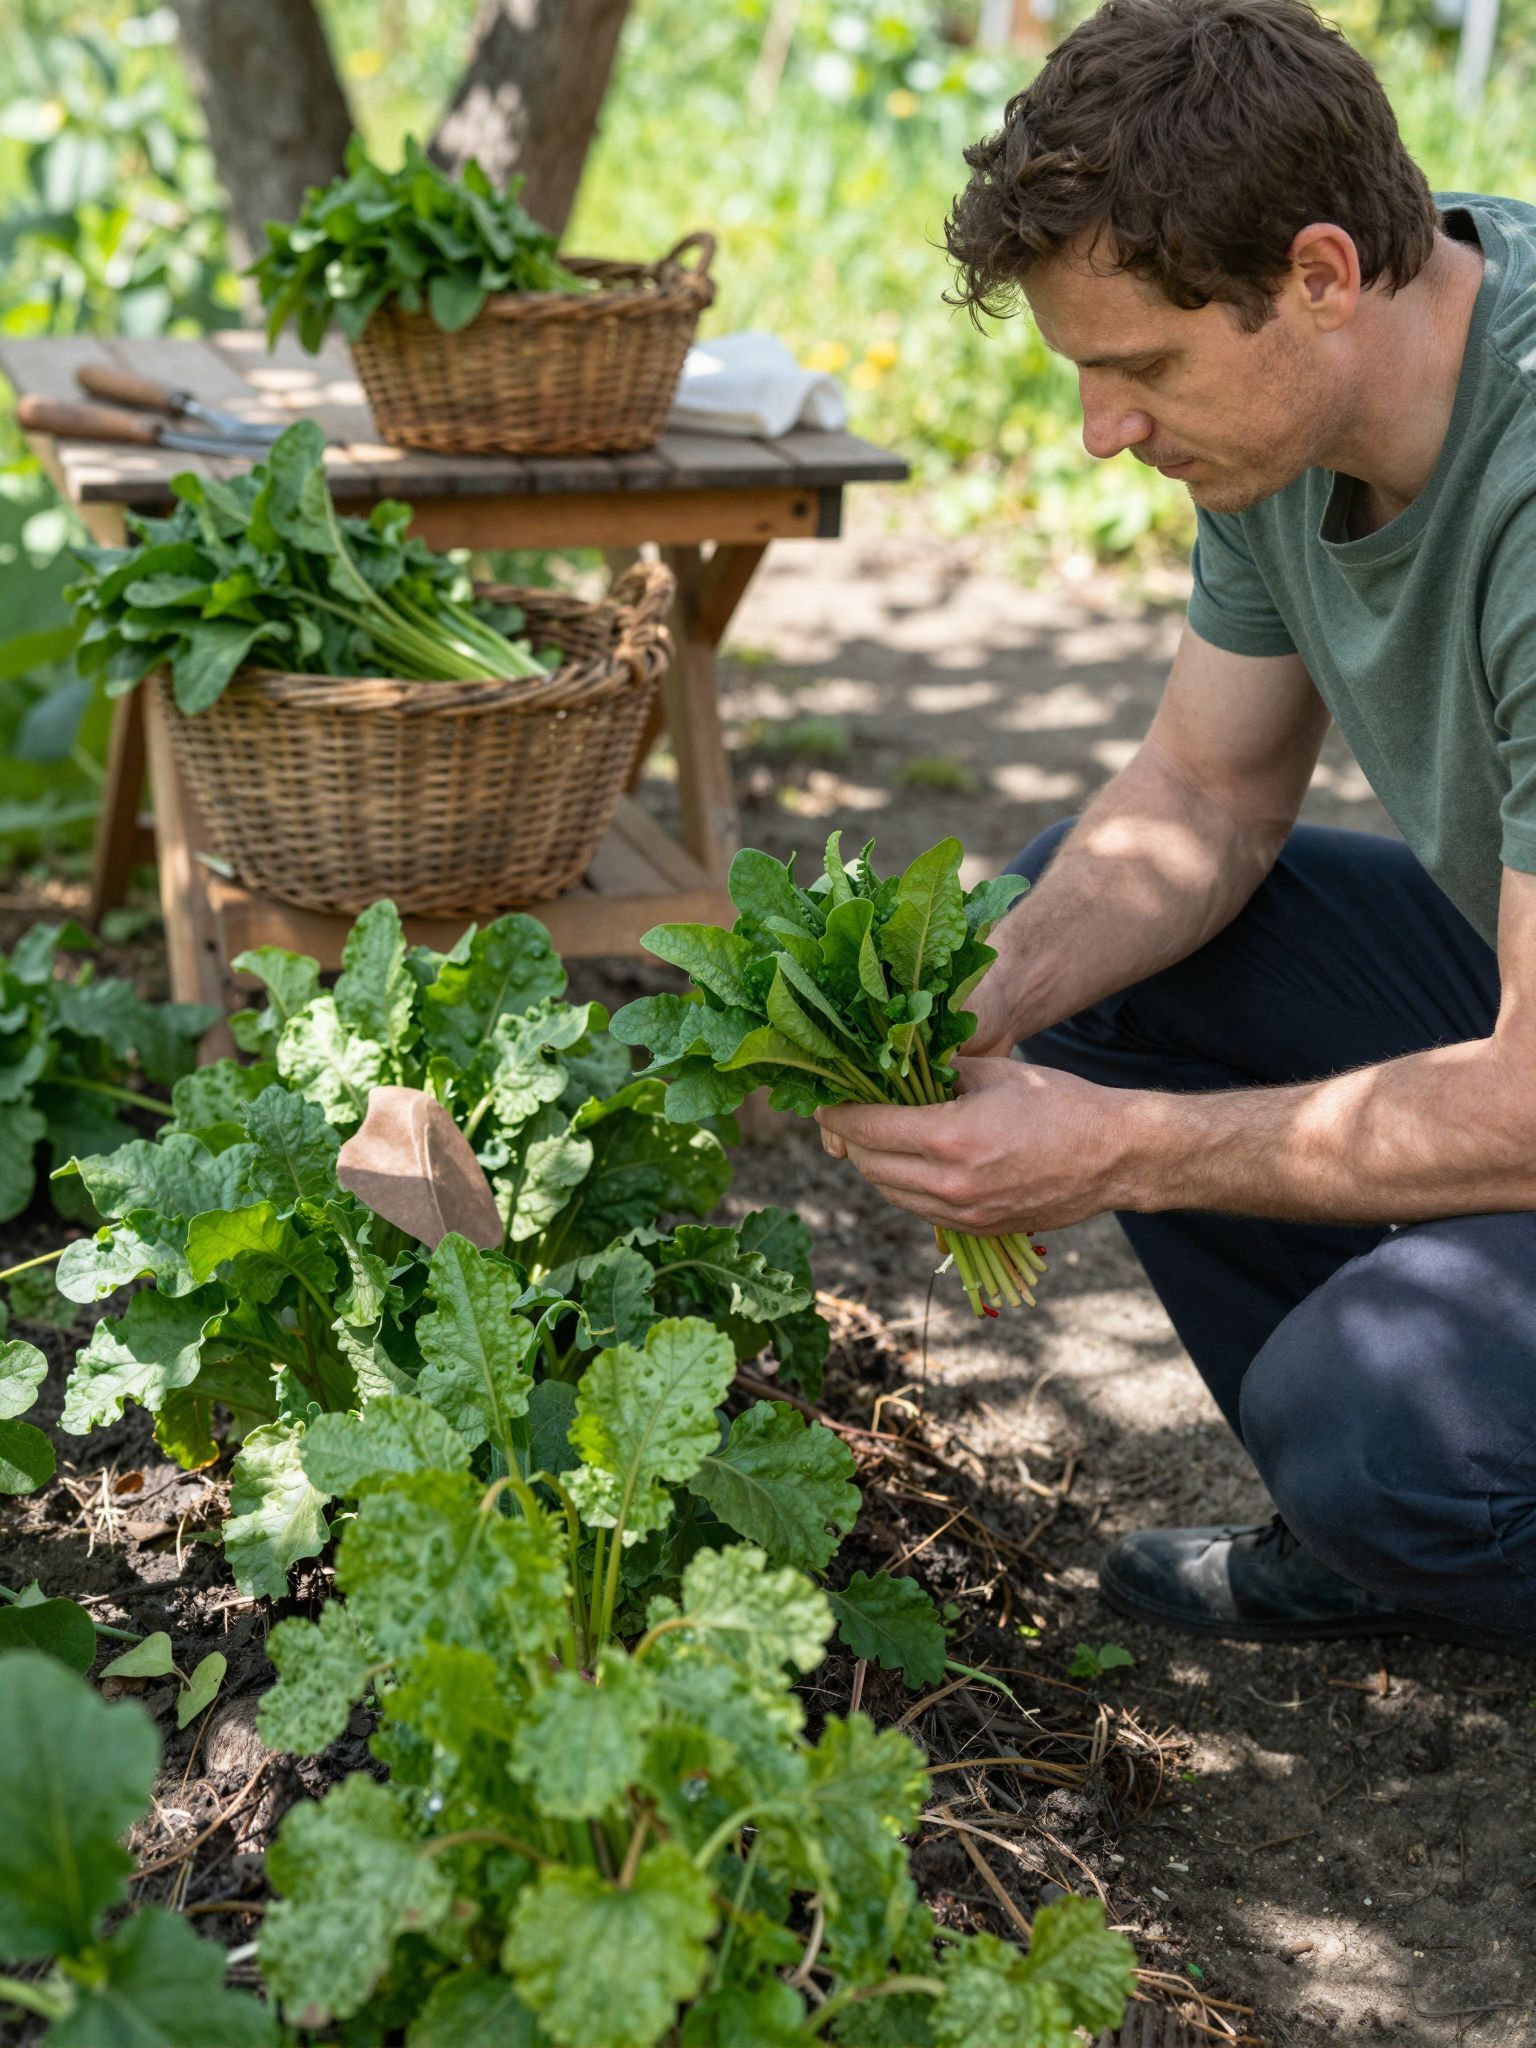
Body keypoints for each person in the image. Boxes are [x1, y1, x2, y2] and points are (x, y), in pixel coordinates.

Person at [816, 0, 1536, 1655]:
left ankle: (1422, 1488)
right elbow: (1200, 799)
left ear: (1320, 276)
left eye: (1138, 367)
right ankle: (1389, 1527)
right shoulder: (1298, 426)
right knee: (1086, 947)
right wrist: (977, 1002)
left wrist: (1109, 1146)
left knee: (1392, 1427)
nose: (1102, 432)